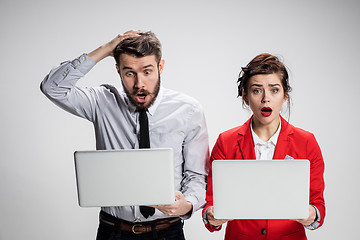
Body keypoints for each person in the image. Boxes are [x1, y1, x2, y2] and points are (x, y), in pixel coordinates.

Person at [41, 30, 209, 240]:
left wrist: (188, 204)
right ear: (118, 70)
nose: (139, 84)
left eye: (147, 72)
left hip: (167, 232)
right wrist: (105, 49)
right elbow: (52, 87)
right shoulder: (101, 102)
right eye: (129, 73)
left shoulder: (188, 110)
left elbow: (196, 175)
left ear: (161, 67)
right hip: (113, 231)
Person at [202, 53, 325, 240]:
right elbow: (210, 204)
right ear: (245, 96)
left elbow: (318, 206)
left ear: (285, 96)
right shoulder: (226, 142)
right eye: (257, 90)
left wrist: (311, 214)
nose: (266, 98)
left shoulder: (306, 142)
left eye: (274, 90)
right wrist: (212, 216)